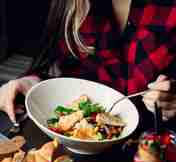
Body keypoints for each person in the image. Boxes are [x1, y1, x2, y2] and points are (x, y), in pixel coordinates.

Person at [0, 0, 176, 126]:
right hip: (81, 147)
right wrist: (32, 82)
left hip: (156, 151)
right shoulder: (72, 5)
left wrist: (171, 104)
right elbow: (64, 69)